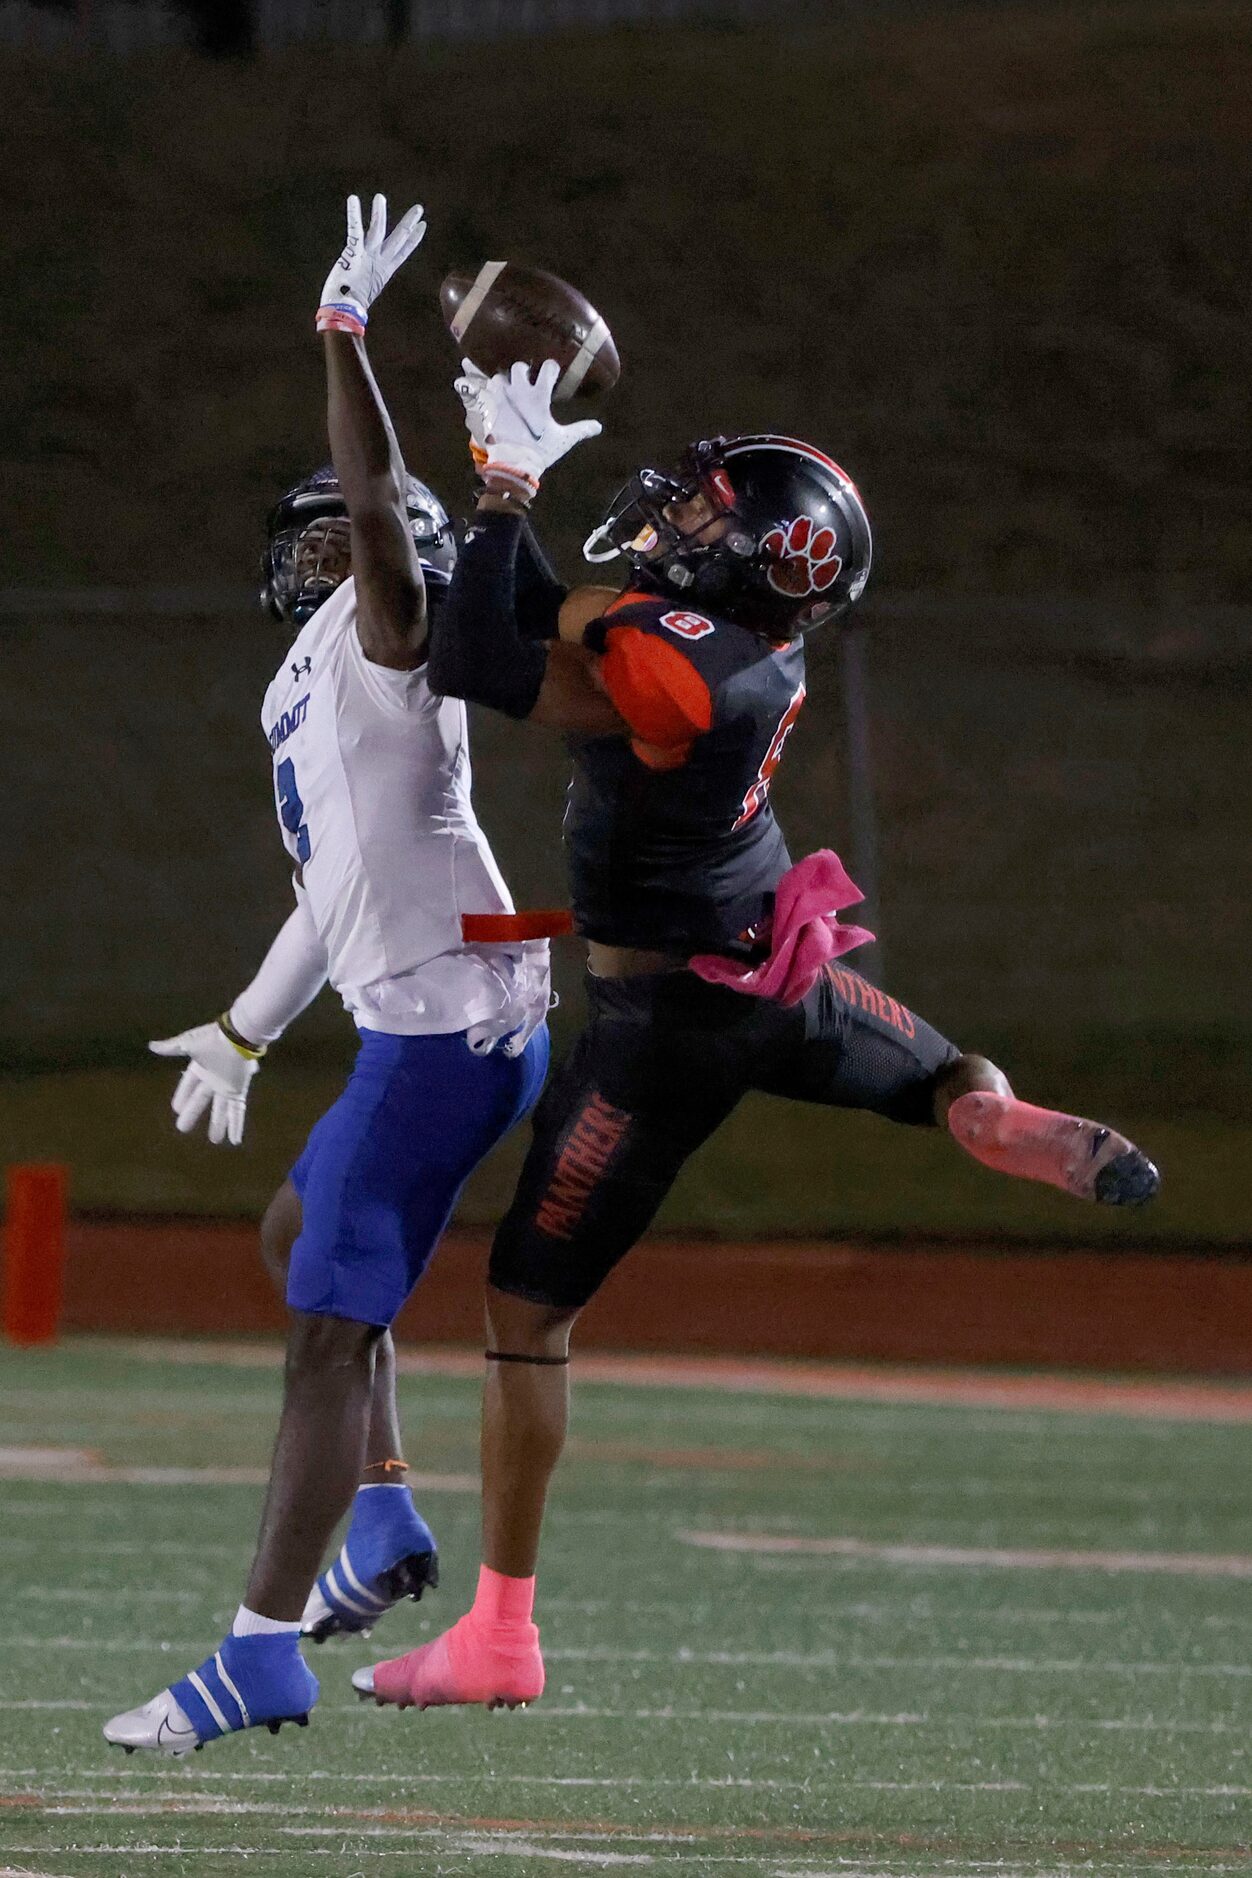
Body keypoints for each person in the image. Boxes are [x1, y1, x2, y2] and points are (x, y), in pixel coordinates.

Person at [351, 360, 1161, 1714]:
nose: (672, 526)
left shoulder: (664, 673)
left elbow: (486, 651)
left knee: (525, 1311)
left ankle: (499, 1632)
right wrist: (515, 510)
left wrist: (501, 490)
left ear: (750, 561)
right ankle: (991, 1112)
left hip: (669, 1016)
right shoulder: (747, 646)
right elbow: (566, 614)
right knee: (945, 1077)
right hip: (785, 969)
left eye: (700, 521)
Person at [103, 197, 556, 1757]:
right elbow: (334, 894)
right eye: (298, 538)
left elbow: (375, 514)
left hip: (444, 1038)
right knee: (299, 1228)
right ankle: (377, 1524)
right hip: (436, 1022)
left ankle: (258, 1650)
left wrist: (344, 338)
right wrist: (242, 1026)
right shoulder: (302, 685)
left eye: (338, 535)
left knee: (318, 1327)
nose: (322, 550)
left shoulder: (388, 629)